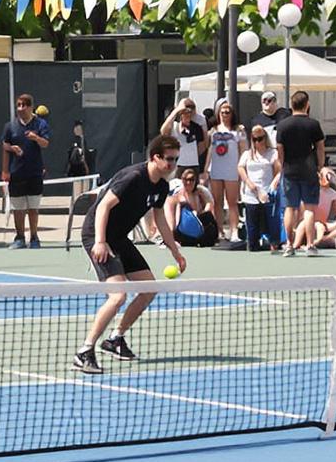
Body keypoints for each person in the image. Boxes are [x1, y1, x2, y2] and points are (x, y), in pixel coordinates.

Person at [72, 134, 185, 373]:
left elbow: (160, 219)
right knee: (118, 296)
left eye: (176, 159)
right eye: (169, 159)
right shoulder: (133, 177)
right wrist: (100, 242)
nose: (173, 165)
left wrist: (175, 251)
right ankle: (85, 351)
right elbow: (103, 206)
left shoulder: (162, 186)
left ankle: (115, 339)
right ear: (155, 158)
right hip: (97, 234)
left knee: (149, 289)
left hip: (119, 237)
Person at [273, 91, 326, 257]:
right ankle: (310, 245)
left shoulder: (282, 125)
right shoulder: (313, 124)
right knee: (309, 209)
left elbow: (279, 149)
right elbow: (320, 147)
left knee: (290, 208)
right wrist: (320, 165)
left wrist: (282, 165)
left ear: (291, 104)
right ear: (307, 104)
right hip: (309, 170)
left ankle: (289, 245)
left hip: (289, 170)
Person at [1, 93, 51, 250]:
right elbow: (4, 147)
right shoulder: (10, 126)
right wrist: (5, 170)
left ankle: (34, 237)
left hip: (35, 172)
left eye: (24, 105)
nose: (20, 108)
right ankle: (20, 237)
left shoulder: (40, 124)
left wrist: (36, 138)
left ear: (30, 107)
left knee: (33, 208)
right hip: (16, 173)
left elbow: (45, 144)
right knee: (18, 209)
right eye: (18, 105)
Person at [202, 99, 242, 244]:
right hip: (216, 170)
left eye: (228, 112)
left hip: (232, 170)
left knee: (232, 202)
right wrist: (205, 170)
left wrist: (241, 169)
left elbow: (243, 150)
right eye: (222, 112)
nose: (225, 114)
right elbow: (209, 151)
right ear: (218, 113)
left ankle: (234, 231)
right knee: (217, 201)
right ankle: (219, 231)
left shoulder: (238, 130)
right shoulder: (213, 131)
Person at [239, 123, 279, 252]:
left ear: (265, 138)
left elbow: (279, 171)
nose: (258, 142)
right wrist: (248, 182)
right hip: (251, 192)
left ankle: (274, 243)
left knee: (270, 222)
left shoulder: (272, 153)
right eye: (255, 139)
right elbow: (240, 168)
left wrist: (273, 185)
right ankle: (253, 245)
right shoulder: (247, 154)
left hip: (267, 191)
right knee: (252, 226)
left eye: (260, 139)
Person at [163, 97, 206, 179]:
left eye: (191, 109)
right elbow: (163, 132)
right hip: (177, 164)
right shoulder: (174, 126)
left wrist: (191, 154)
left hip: (193, 164)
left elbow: (202, 146)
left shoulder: (197, 127)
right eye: (185, 111)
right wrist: (176, 110)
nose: (188, 114)